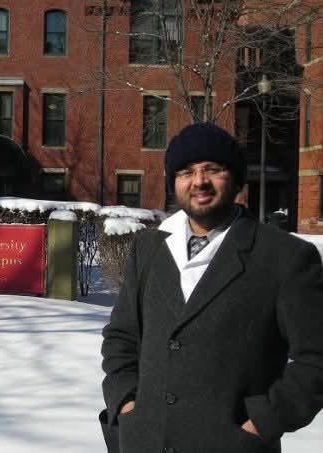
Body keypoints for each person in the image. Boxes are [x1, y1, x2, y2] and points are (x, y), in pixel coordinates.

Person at [100, 122, 323, 453]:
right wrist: (126, 403)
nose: (199, 181)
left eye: (213, 169)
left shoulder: (285, 257)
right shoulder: (148, 249)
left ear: (236, 180)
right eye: (186, 171)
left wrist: (263, 422)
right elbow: (121, 337)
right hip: (144, 441)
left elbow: (316, 359)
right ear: (174, 182)